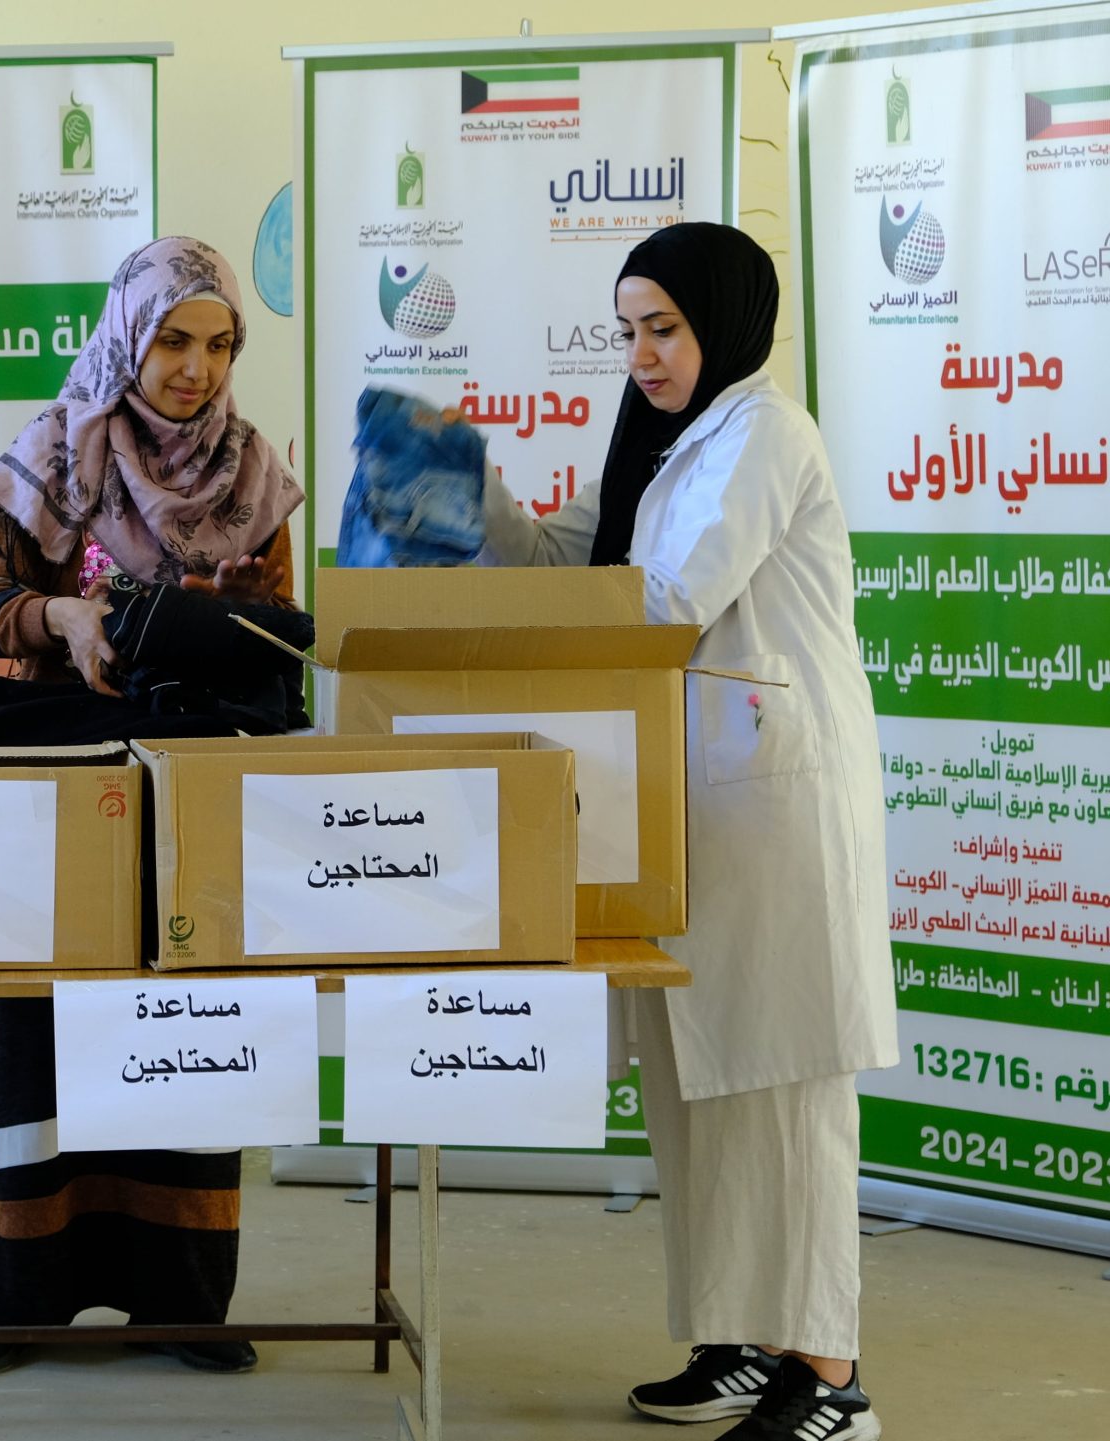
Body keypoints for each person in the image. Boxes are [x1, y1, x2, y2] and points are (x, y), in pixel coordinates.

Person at [472, 222, 894, 1441]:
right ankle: (746, 1338)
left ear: (724, 318)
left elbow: (664, 602)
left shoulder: (764, 432)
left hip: (777, 807)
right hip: (686, 806)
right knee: (700, 1082)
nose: (642, 355)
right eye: (626, 332)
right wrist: (468, 484)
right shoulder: (659, 447)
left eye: (661, 327)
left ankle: (831, 1373)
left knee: (784, 1086)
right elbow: (560, 563)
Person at [0, 235, 302, 1378]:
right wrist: (65, 619)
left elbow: (277, 646)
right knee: (38, 1033)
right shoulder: (55, 449)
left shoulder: (251, 473)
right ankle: (23, 1297)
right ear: (127, 337)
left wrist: (227, 609)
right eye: (173, 341)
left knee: (187, 1023)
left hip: (189, 796)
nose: (195, 368)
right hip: (55, 789)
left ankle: (185, 1301)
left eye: (219, 344)